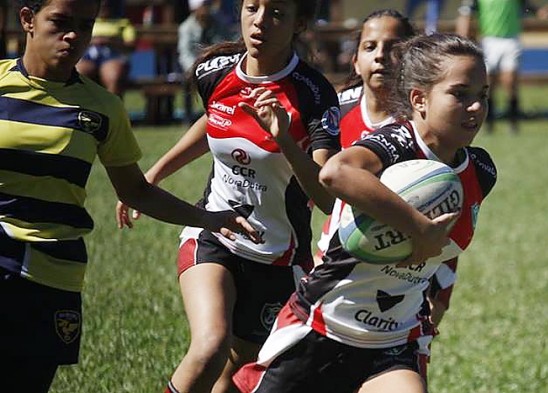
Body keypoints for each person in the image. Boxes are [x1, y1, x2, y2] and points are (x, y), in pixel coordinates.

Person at [0, 1, 259, 392]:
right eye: (60, 22)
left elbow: (135, 190)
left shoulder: (103, 108)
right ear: (27, 20)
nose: (73, 35)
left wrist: (206, 218)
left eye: (84, 26)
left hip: (53, 272)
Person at [233, 33, 498, 393]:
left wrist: (438, 288)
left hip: (395, 339)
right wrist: (416, 228)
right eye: (460, 94)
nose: (476, 108)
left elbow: (443, 244)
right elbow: (334, 172)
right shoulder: (397, 144)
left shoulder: (481, 171)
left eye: (482, 95)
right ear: (419, 99)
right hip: (322, 325)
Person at [116, 1, 341, 392]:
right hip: (212, 232)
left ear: (298, 23)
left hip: (277, 255)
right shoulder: (215, 72)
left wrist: (284, 139)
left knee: (234, 373)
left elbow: (325, 198)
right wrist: (155, 174)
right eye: (252, 7)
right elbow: (213, 121)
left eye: (276, 13)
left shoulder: (314, 95)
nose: (260, 21)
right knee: (209, 347)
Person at [314, 9, 456, 329]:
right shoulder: (336, 112)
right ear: (355, 61)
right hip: (342, 255)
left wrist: (438, 294)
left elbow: (446, 200)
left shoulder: (425, 122)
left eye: (393, 47)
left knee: (405, 348)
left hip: (417, 260)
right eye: (370, 47)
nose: (381, 56)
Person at [456, 0, 548, 134]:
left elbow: (527, 7)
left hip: (511, 40)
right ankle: (488, 123)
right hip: (489, 41)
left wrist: (541, 12)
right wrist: (463, 39)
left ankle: (513, 121)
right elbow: (466, 14)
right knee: (488, 85)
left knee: (510, 81)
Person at [178, 0, 228, 123]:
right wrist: (195, 69)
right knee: (187, 80)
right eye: (203, 6)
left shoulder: (218, 24)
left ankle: (221, 112)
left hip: (216, 65)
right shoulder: (186, 27)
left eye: (207, 6)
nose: (206, 10)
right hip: (193, 67)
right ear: (195, 9)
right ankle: (188, 117)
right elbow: (185, 54)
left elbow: (223, 46)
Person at [76, 0, 136, 96]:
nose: (104, 7)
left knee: (114, 78)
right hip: (88, 54)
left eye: (107, 5)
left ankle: (111, 108)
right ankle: (81, 107)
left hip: (113, 55)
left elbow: (131, 45)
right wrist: (94, 41)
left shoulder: (123, 23)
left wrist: (109, 41)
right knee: (78, 75)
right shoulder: (87, 20)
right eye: (101, 5)